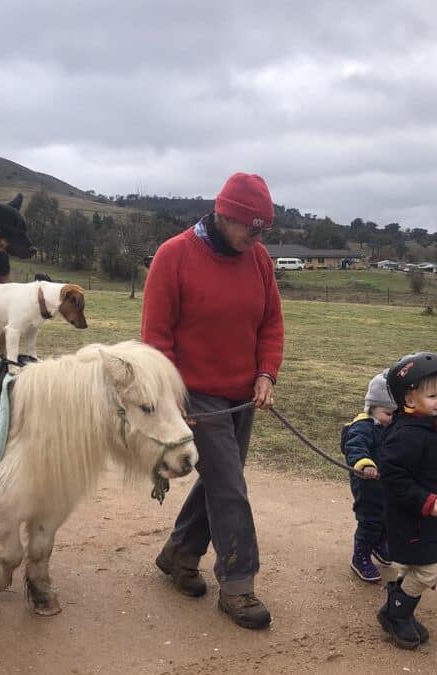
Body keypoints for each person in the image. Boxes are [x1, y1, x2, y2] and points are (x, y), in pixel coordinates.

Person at [141, 172, 283, 630]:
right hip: (194, 395)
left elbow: (270, 323)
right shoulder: (174, 255)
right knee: (229, 488)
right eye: (250, 228)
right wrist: (169, 394)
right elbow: (156, 337)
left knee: (222, 481)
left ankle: (179, 554)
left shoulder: (258, 259)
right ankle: (238, 585)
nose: (256, 238)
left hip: (242, 395)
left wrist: (266, 373)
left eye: (263, 230)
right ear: (223, 215)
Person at [378, 352, 437, 649]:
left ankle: (399, 608)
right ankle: (395, 612)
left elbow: (428, 468)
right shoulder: (408, 434)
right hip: (412, 518)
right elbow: (394, 475)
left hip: (428, 515)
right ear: (410, 401)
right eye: (433, 395)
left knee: (421, 566)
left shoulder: (430, 426)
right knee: (429, 569)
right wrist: (425, 500)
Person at [340, 370, 396, 582]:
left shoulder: (390, 427)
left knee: (389, 517)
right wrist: (365, 464)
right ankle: (361, 555)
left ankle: (380, 545)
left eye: (396, 414)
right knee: (371, 520)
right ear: (372, 408)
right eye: (388, 414)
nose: (392, 419)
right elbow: (354, 447)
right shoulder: (362, 427)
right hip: (368, 485)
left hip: (388, 484)